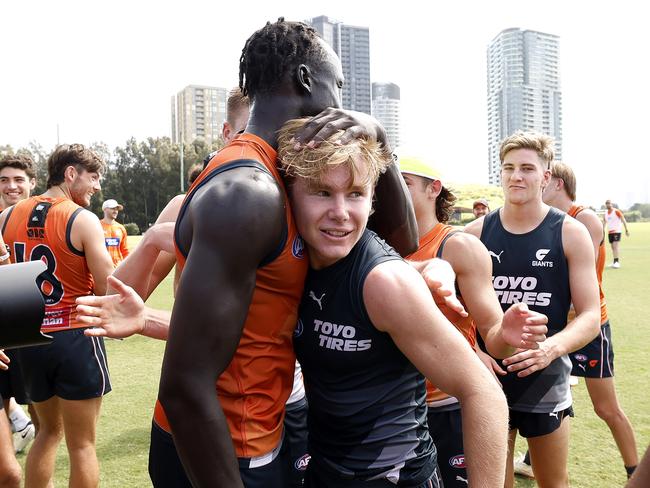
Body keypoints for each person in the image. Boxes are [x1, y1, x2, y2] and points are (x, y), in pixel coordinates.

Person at [79, 19, 417, 488]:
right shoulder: (248, 191)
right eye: (336, 85)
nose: (341, 104)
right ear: (304, 80)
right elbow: (186, 385)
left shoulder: (277, 173)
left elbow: (400, 248)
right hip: (225, 449)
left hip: (254, 433)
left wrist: (378, 137)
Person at [274, 118, 509, 486]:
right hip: (326, 473)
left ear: (371, 202)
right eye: (322, 192)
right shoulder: (294, 264)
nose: (340, 212)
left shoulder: (384, 282)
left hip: (397, 479)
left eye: (355, 194)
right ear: (290, 196)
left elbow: (483, 392)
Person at [399, 156, 548, 487]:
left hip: (446, 406)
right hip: (391, 409)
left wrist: (506, 333)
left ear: (433, 189)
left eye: (404, 182)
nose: (391, 190)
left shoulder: (459, 246)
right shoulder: (370, 239)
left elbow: (494, 337)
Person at [465, 131, 601, 488]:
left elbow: (590, 315)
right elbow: (453, 312)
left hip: (546, 375)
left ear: (546, 176)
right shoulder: (475, 234)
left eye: (527, 168)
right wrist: (475, 350)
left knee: (553, 482)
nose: (516, 176)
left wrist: (551, 348)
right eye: (508, 168)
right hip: (488, 376)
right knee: (495, 481)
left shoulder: (570, 233)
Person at [0, 143, 114, 488]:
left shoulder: (5, 217)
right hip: (74, 336)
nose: (96, 186)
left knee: (47, 432)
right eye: (93, 178)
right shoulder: (81, 218)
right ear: (71, 174)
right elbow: (107, 287)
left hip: (28, 338)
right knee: (82, 445)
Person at [541, 161, 638, 479]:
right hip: (556, 328)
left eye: (543, 178)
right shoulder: (543, 220)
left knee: (606, 408)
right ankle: (532, 459)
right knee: (543, 400)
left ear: (557, 183)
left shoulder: (584, 219)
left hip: (588, 326)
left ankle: (635, 470)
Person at [0, 154, 39, 453]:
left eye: (18, 180)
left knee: (46, 425)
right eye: (4, 180)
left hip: (33, 335)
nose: (11, 186)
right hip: (4, 336)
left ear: (32, 184)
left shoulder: (47, 219)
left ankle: (20, 420)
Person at [100, 198, 129, 267]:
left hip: (118, 268)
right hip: (102, 268)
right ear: (105, 209)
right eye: (113, 208)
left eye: (117, 209)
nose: (115, 211)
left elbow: (124, 250)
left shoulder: (121, 228)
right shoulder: (96, 226)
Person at [603, 199, 629, 268]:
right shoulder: (605, 213)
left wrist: (626, 229)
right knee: (612, 247)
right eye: (607, 204)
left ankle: (617, 262)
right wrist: (603, 230)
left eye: (609, 203)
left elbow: (623, 219)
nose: (608, 205)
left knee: (615, 246)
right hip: (610, 232)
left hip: (617, 231)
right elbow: (604, 223)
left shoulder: (616, 211)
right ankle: (614, 261)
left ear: (611, 204)